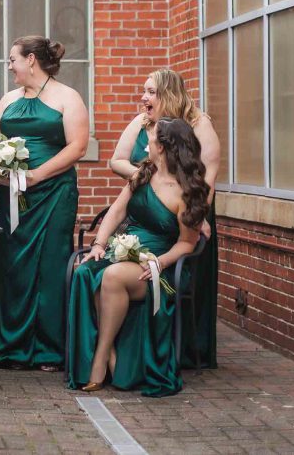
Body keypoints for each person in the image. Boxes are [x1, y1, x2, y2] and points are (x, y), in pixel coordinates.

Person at [68, 118, 208, 397]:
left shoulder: (187, 191)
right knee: (84, 270)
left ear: (165, 147)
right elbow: (117, 211)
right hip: (125, 249)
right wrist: (99, 244)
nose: (146, 143)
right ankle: (112, 359)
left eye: (152, 138)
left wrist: (160, 262)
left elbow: (186, 243)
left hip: (158, 265)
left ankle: (99, 360)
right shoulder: (143, 173)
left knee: (111, 276)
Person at [109, 68, 220, 368]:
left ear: (168, 95)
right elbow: (116, 160)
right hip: (146, 212)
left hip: (185, 215)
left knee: (182, 275)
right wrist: (149, 181)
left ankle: (182, 350)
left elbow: (207, 177)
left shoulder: (199, 123)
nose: (143, 97)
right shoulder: (142, 122)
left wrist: (198, 214)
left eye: (150, 92)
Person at [0, 37, 88, 371]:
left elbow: (77, 147)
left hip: (54, 193)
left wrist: (36, 175)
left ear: (31, 60)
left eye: (13, 60)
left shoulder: (67, 97)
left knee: (49, 265)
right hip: (13, 195)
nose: (10, 67)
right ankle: (13, 345)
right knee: (12, 264)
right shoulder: (8, 100)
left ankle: (48, 348)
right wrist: (1, 166)